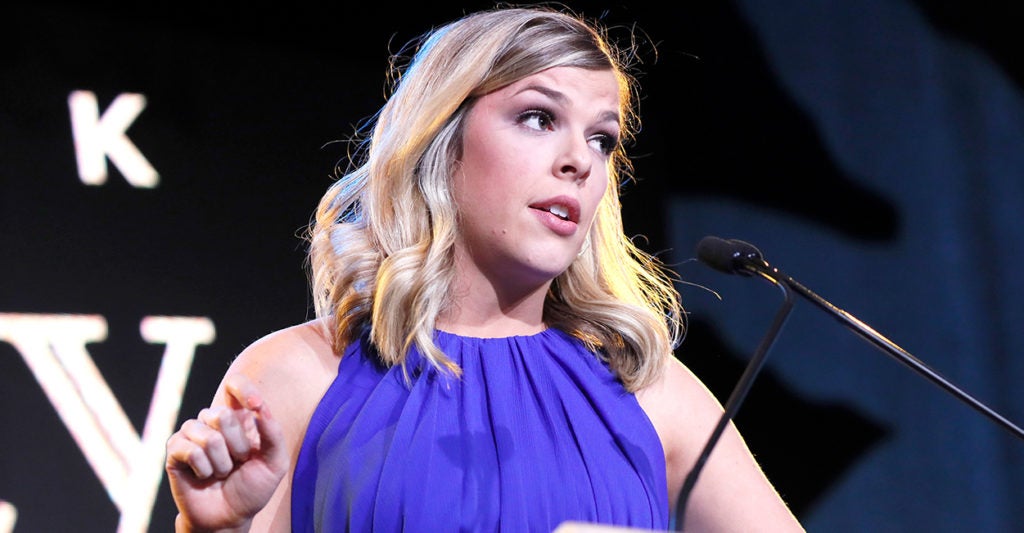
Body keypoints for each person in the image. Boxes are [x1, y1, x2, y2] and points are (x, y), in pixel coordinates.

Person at [164, 4, 805, 532]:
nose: (580, 161)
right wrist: (216, 530)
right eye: (538, 117)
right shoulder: (298, 374)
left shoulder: (649, 392)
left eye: (601, 138)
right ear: (442, 144)